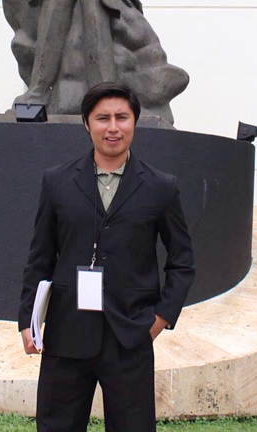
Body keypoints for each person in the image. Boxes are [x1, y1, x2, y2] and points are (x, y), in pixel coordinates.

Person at [18, 81, 195, 432]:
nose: (112, 127)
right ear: (87, 124)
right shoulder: (57, 182)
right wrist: (28, 320)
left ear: (134, 122)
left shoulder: (161, 186)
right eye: (102, 118)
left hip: (130, 335)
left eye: (121, 117)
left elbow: (182, 261)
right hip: (67, 334)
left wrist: (159, 320)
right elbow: (40, 257)